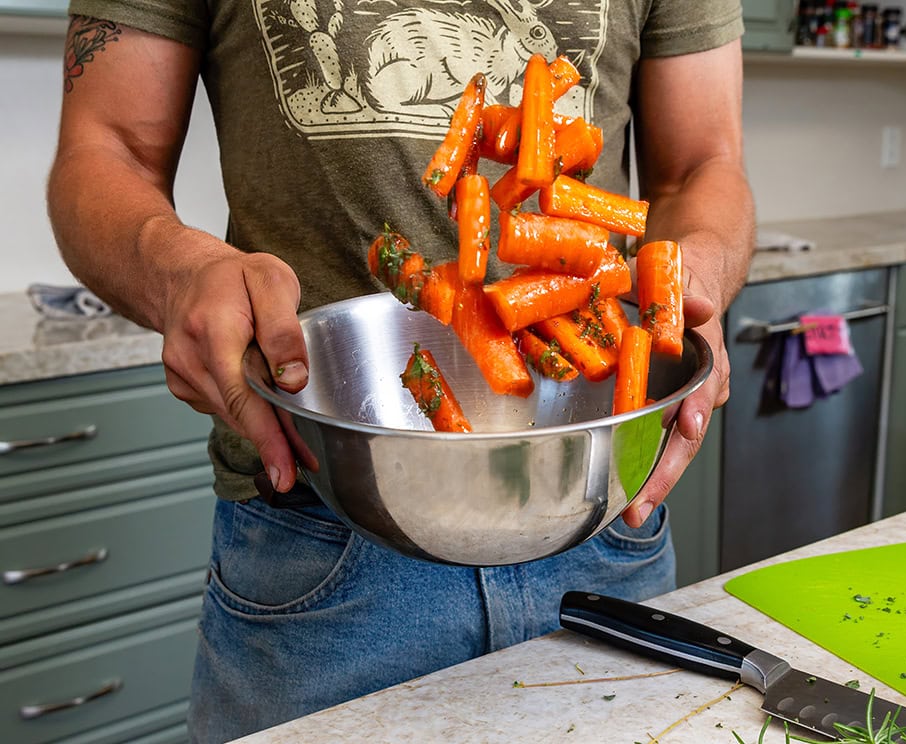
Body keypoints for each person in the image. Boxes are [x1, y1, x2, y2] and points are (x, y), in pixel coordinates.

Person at [48, 1, 755, 741]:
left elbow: (703, 165)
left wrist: (695, 270)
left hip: (600, 514)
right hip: (322, 526)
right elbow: (105, 148)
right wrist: (178, 273)